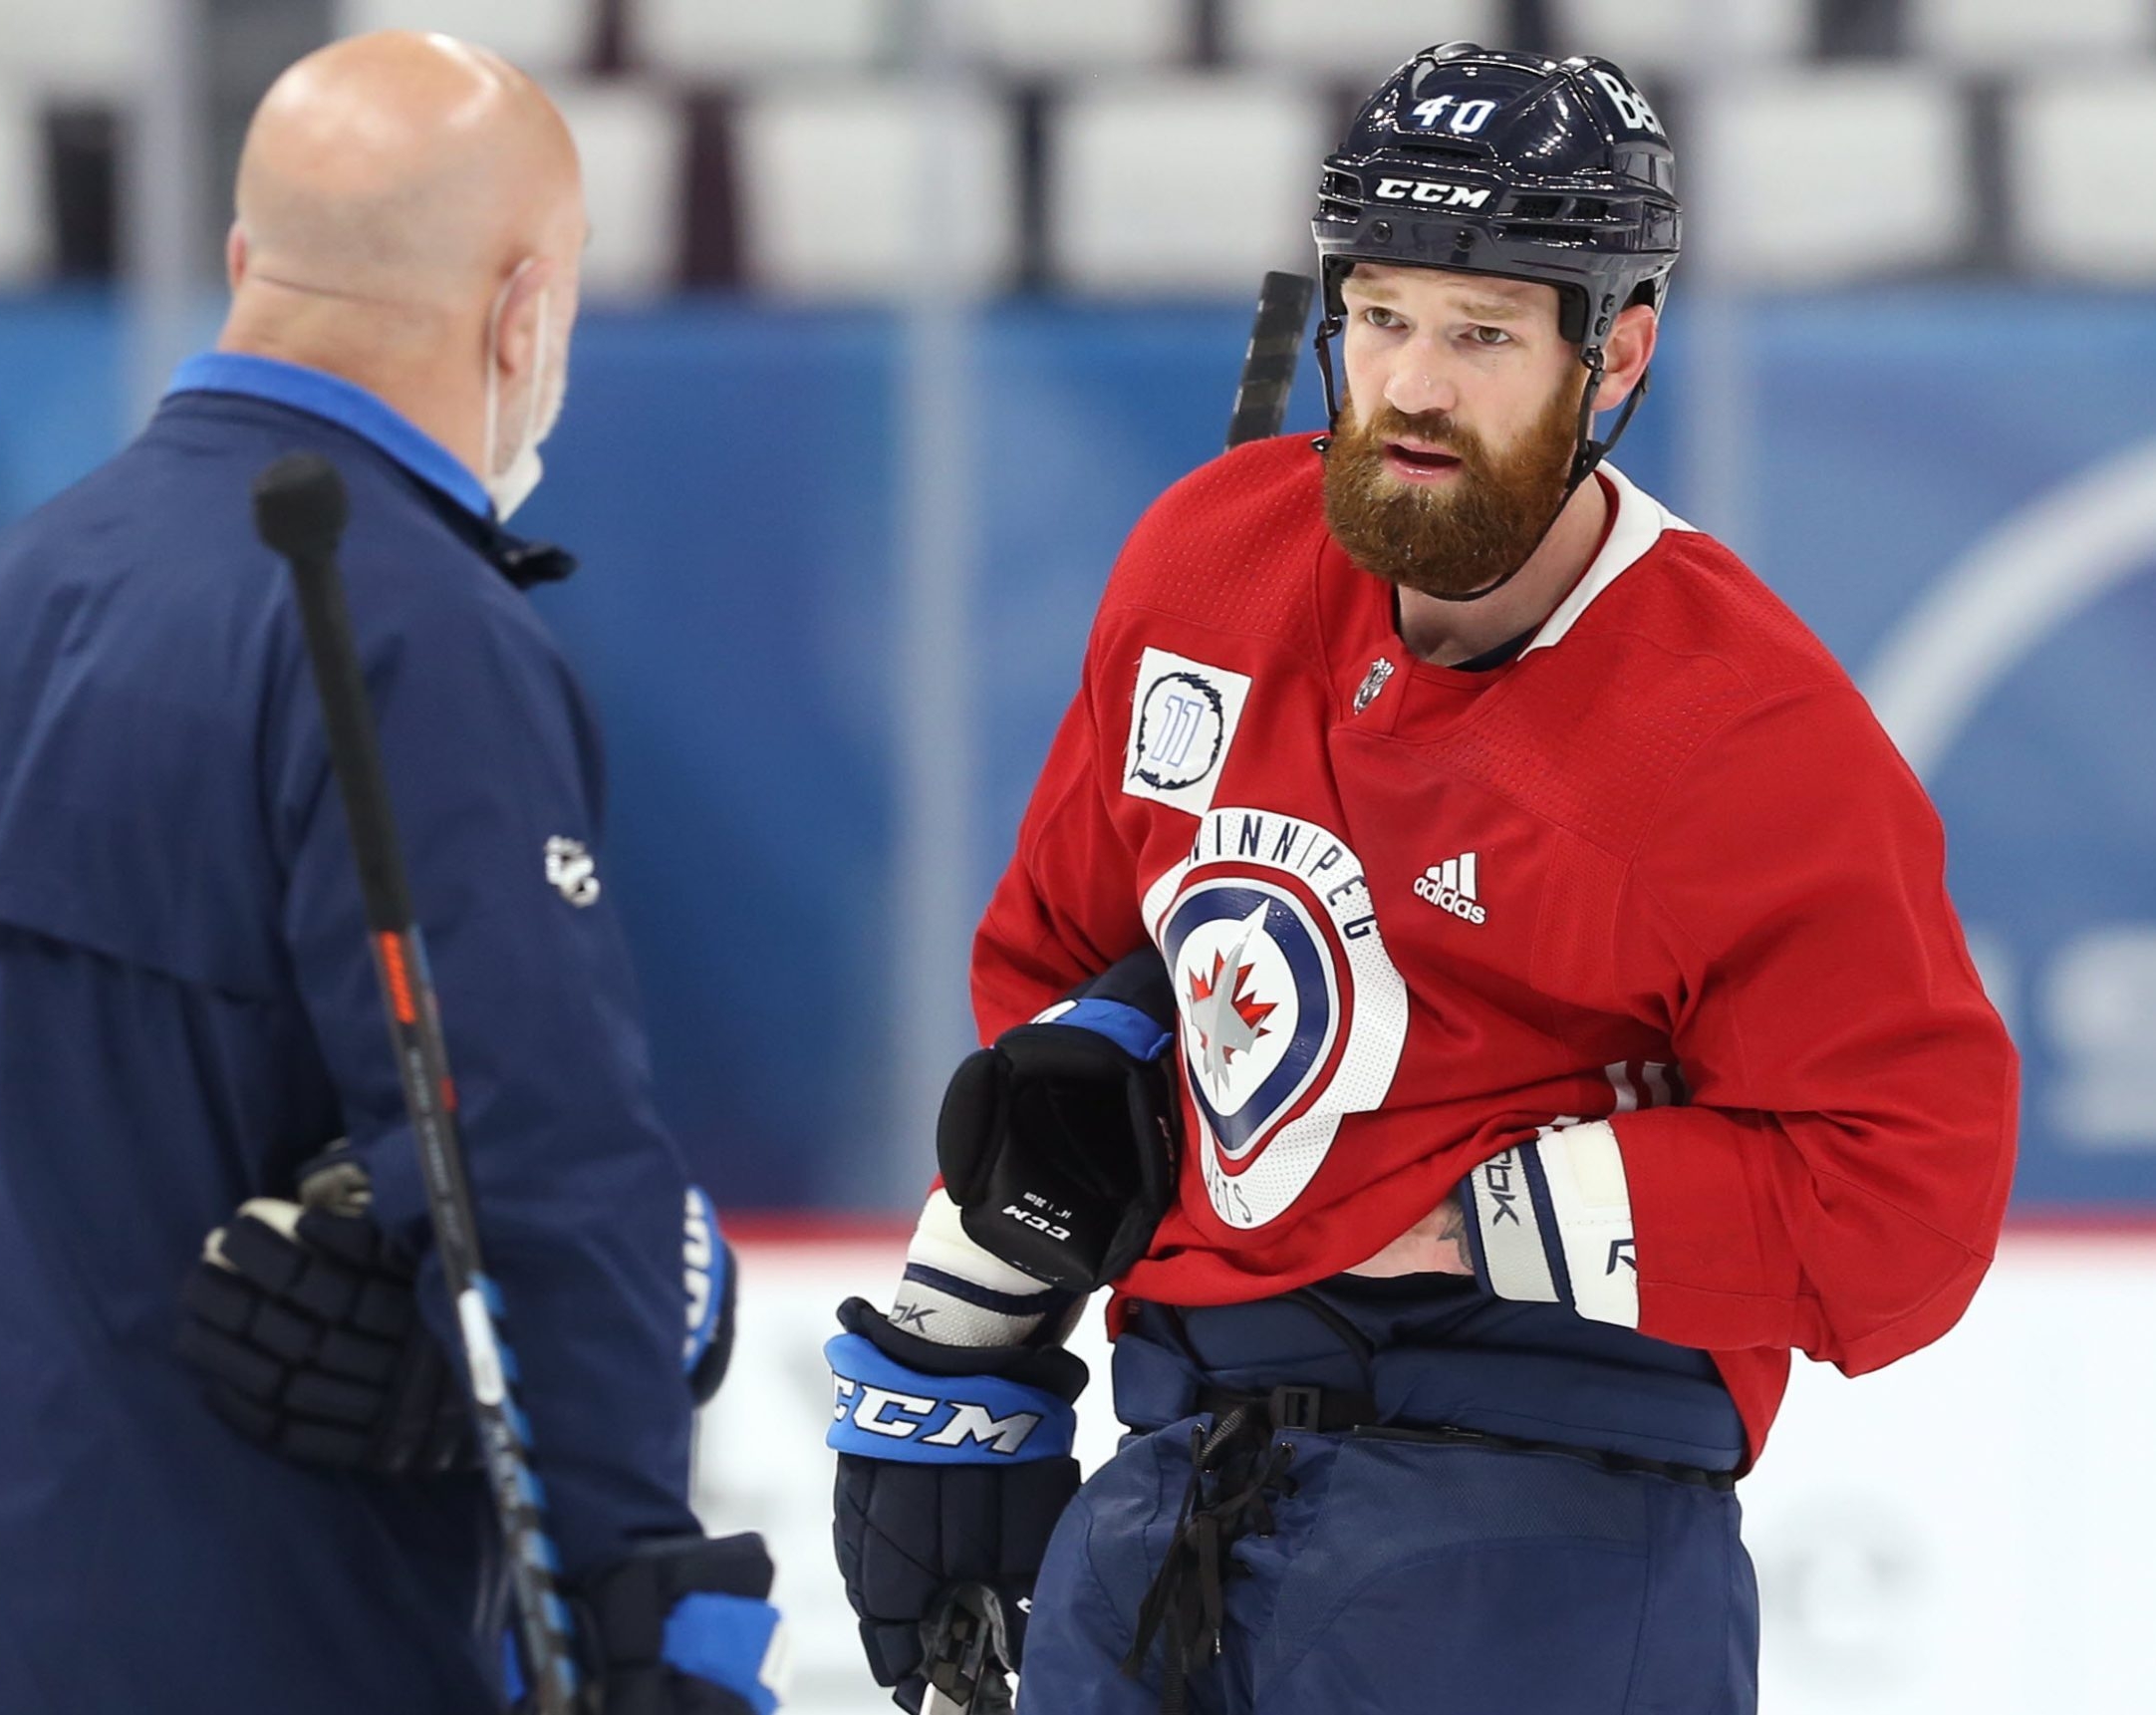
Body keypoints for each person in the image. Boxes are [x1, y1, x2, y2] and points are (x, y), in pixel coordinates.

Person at [827, 41, 2017, 1714]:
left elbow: (1910, 1208)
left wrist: (1480, 1217)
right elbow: (1073, 987)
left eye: (1482, 334)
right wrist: (979, 1313)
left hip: (1529, 1532)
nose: (1414, 389)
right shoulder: (1207, 562)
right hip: (1168, 1491)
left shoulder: (1746, 734)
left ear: (1616, 356)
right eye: (1382, 317)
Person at [0, 32, 776, 1715]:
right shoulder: (411, 630)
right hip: (272, 1636)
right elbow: (538, 1162)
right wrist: (649, 1619)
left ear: (241, 267)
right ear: (526, 314)